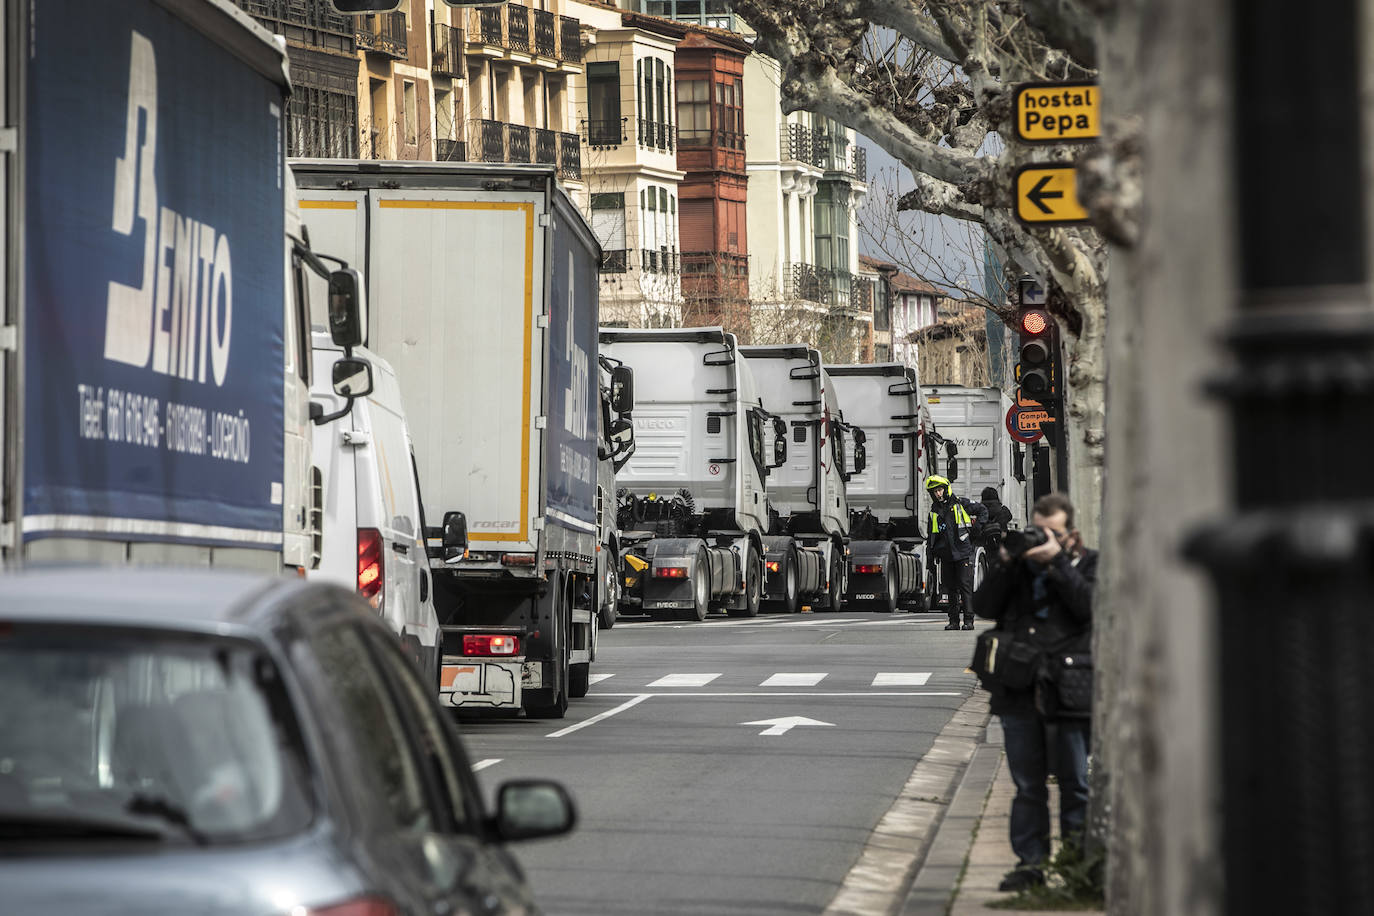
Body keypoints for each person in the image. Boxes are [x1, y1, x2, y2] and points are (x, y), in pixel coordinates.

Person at [973, 492, 1097, 893]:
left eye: (1053, 533)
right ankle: (1031, 865)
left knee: (1075, 784)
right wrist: (1007, 563)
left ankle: (1079, 866)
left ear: (1072, 535)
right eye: (1037, 531)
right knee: (1028, 786)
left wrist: (1058, 563)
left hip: (1069, 690)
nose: (1043, 539)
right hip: (1020, 690)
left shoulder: (1089, 564)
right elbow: (984, 605)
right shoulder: (1019, 570)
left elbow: (1089, 608)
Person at [925, 475, 978, 630]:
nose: (938, 494)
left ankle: (969, 621)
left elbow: (982, 511)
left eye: (940, 490)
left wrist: (974, 532)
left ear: (946, 489)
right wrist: (931, 557)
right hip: (946, 555)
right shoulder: (934, 511)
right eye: (934, 492)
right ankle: (954, 621)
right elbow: (931, 535)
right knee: (951, 588)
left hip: (962, 553)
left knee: (964, 586)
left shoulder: (961, 503)